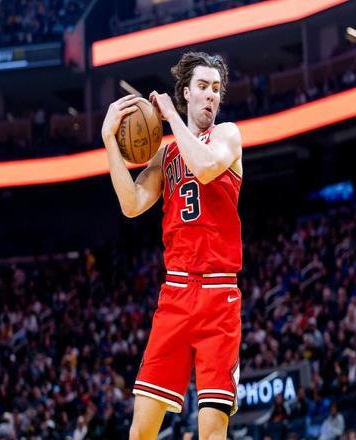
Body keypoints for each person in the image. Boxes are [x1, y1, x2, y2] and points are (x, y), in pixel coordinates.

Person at [102, 51, 243, 440]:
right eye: (203, 86)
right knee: (141, 432)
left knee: (211, 432)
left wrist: (171, 116)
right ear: (186, 93)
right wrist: (109, 140)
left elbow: (206, 167)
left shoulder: (227, 135)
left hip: (218, 294)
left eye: (216, 89)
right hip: (177, 293)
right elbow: (131, 204)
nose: (211, 95)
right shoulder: (166, 154)